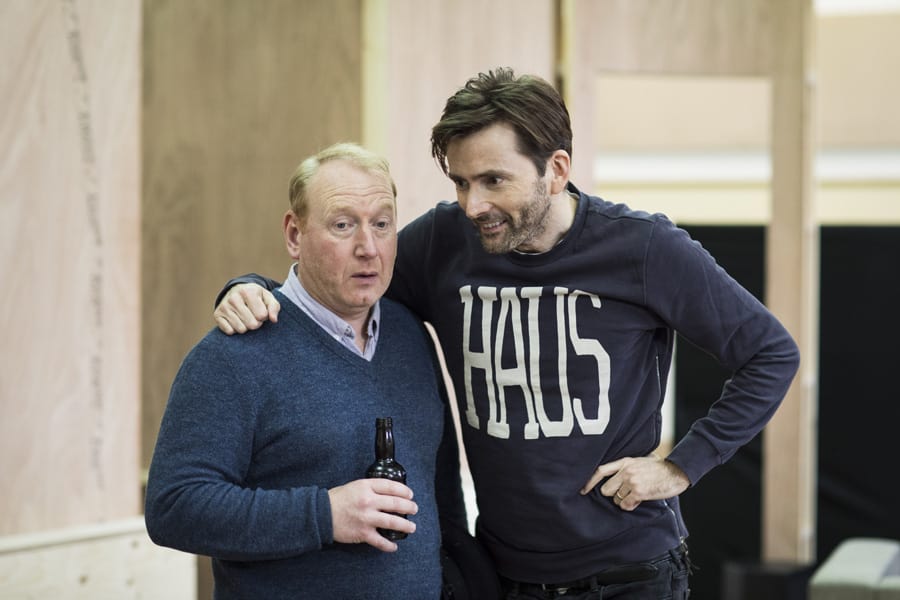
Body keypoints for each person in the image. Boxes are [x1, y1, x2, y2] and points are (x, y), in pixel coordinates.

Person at [213, 68, 800, 599]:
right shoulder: (445, 241)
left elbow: (770, 352)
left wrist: (681, 466)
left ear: (557, 170)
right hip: (504, 574)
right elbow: (347, 278)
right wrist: (254, 287)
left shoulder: (645, 249)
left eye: (494, 180)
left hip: (629, 574)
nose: (474, 204)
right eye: (461, 182)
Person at [145, 142, 466, 600]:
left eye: (382, 223)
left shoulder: (410, 334)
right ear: (295, 235)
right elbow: (173, 509)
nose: (368, 248)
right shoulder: (232, 356)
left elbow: (441, 485)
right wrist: (325, 514)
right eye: (342, 225)